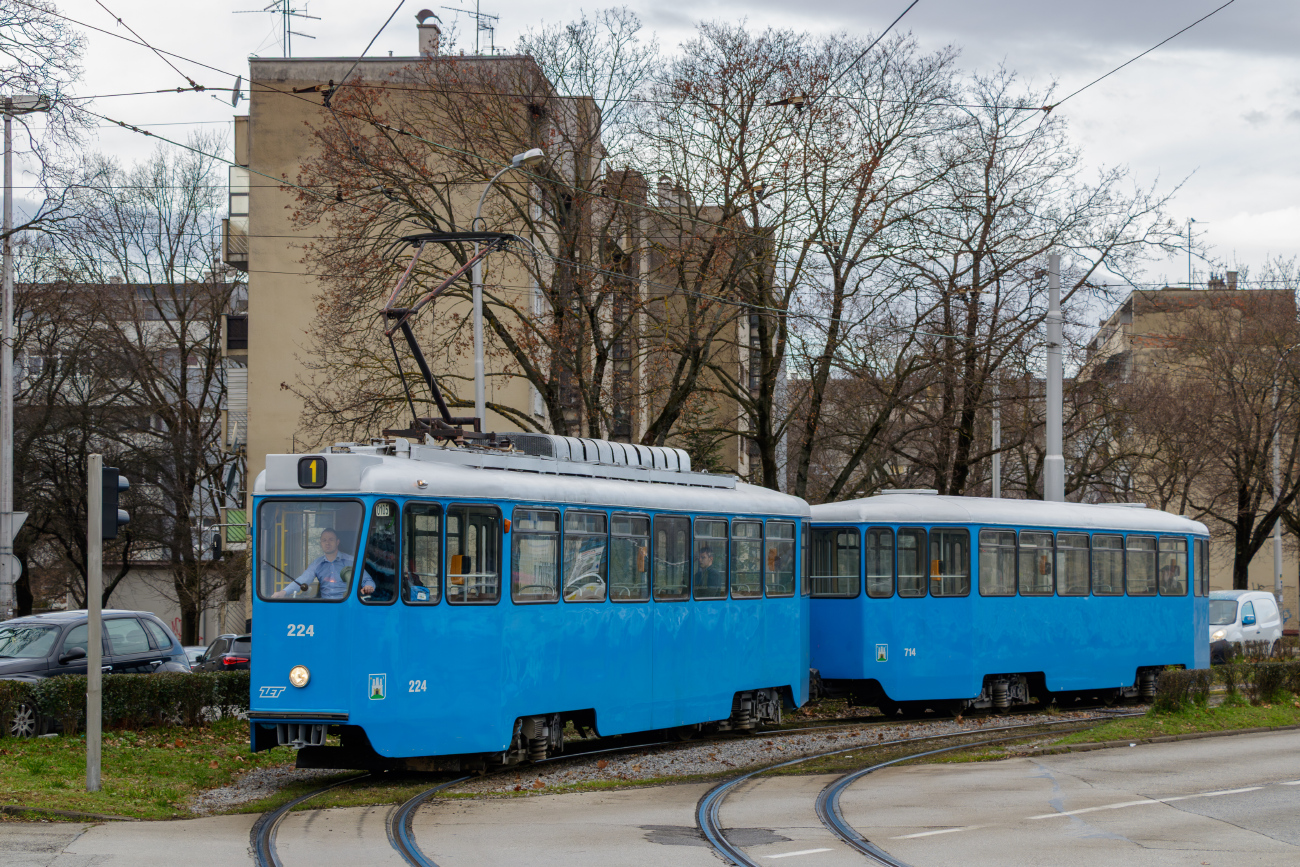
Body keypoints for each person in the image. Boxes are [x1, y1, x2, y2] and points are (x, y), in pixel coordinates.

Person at [272, 528, 373, 599]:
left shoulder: (351, 561)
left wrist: (368, 587)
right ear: (321, 543)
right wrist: (283, 592)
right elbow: (303, 580)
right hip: (325, 605)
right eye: (324, 540)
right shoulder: (317, 564)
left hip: (347, 604)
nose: (327, 543)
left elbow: (367, 580)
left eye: (331, 540)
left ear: (337, 542)